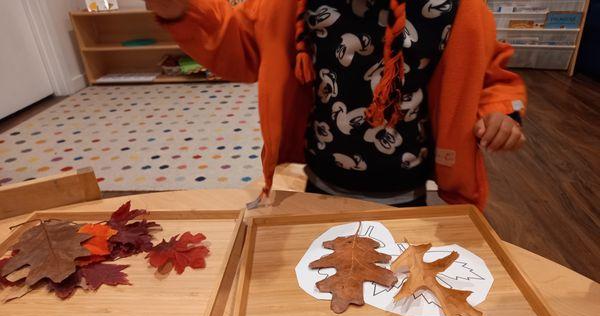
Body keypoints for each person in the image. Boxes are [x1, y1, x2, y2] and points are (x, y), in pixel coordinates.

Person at [146, 0, 526, 209]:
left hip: (407, 183)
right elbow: (241, 45)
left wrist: (499, 110)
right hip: (324, 174)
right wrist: (180, 10)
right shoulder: (292, 5)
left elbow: (487, 70)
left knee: (395, 293)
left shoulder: (455, 9)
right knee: (321, 282)